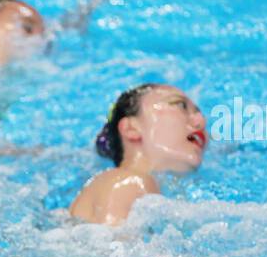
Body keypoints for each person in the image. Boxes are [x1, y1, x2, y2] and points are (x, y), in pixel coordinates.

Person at [69, 83, 207, 225]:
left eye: (199, 114)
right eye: (181, 106)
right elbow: (111, 246)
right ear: (131, 128)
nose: (201, 121)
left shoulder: (138, 190)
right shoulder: (130, 182)